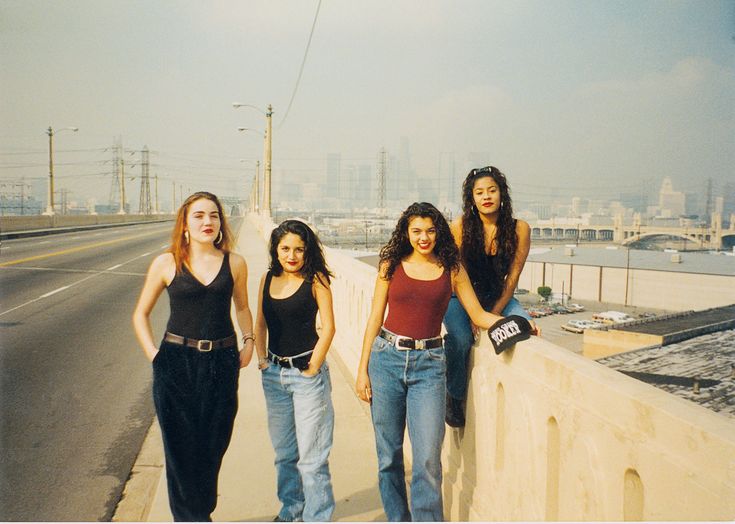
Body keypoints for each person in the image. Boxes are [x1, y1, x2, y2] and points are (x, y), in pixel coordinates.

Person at [355, 202, 508, 522]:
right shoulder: (390, 264)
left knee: (427, 461)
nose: (423, 237)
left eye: (430, 230)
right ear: (406, 233)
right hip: (386, 361)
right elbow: (374, 318)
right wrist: (362, 370)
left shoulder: (452, 269)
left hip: (430, 365)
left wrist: (518, 323)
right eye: (416, 231)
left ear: (439, 232)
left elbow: (478, 314)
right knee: (389, 456)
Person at [132, 191, 254, 521]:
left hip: (222, 363)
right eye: (199, 215)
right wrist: (155, 356)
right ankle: (193, 518)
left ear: (221, 222)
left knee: (214, 445)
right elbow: (140, 314)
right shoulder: (166, 262)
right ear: (185, 223)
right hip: (176, 364)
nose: (207, 222)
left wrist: (249, 340)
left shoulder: (235, 263)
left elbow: (241, 306)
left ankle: (201, 511)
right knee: (180, 451)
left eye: (213, 215)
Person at [443, 166, 539, 427]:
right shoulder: (460, 227)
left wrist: (493, 313)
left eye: (492, 190)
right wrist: (475, 313)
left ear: (502, 194)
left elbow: (513, 278)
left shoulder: (520, 229)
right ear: (471, 198)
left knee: (525, 327)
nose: (486, 197)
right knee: (461, 340)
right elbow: (455, 276)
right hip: (460, 299)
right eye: (479, 192)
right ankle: (454, 395)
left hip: (500, 297)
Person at [254, 219, 336, 522]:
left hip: (307, 378)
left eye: (299, 249)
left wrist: (313, 368)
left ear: (307, 251)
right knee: (285, 454)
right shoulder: (266, 279)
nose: (292, 255)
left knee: (312, 459)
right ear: (275, 250)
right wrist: (263, 360)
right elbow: (260, 323)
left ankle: (317, 516)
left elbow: (328, 328)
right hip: (274, 376)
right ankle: (291, 511)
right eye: (285, 248)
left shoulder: (316, 280)